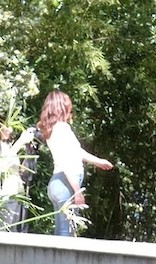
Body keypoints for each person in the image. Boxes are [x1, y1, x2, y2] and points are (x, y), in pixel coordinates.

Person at [37, 90, 113, 236]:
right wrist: (77, 191)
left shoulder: (53, 129)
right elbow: (67, 161)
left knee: (61, 231)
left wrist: (98, 162)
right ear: (62, 107)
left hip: (57, 183)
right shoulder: (62, 129)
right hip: (66, 184)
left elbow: (77, 152)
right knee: (67, 234)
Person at [0, 124, 38, 231]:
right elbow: (0, 166)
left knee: (12, 233)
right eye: (6, 126)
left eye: (11, 127)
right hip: (0, 195)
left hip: (14, 195)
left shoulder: (8, 145)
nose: (10, 130)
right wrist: (20, 142)